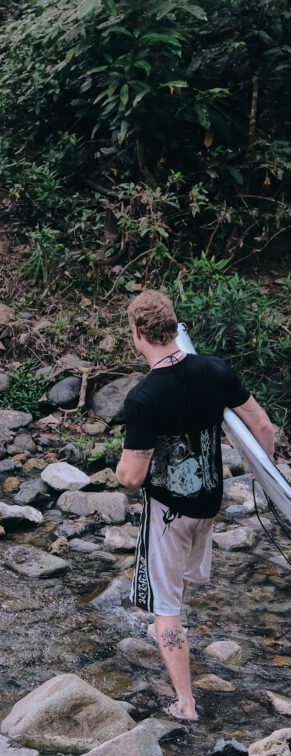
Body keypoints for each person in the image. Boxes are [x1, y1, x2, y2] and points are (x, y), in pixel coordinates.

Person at [115, 289, 275, 722]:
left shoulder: (143, 398)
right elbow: (263, 427)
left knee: (165, 611)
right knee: (178, 580)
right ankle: (169, 622)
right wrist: (267, 481)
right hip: (209, 502)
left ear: (138, 333)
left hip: (168, 512)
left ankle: (185, 702)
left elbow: (131, 477)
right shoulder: (214, 370)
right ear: (173, 326)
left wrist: (119, 464)